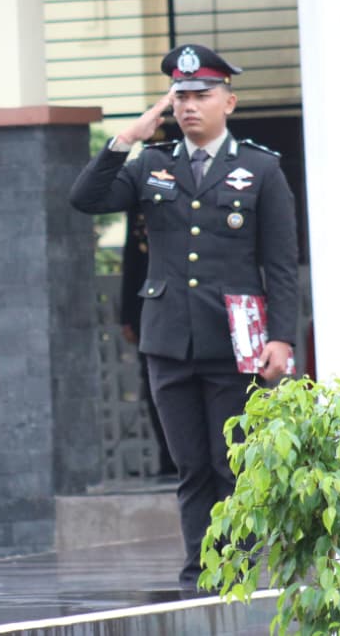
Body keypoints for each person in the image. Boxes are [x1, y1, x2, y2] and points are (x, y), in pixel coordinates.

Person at [69, 43, 298, 593]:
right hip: (168, 337)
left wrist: (282, 339)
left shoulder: (260, 168)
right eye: (180, 96)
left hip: (235, 338)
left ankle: (236, 567)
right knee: (191, 466)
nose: (189, 106)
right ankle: (200, 570)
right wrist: (126, 139)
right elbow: (86, 198)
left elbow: (280, 264)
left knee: (230, 463)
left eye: (202, 95)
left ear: (229, 101)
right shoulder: (152, 164)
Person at [119, 209, 176, 479]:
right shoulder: (144, 190)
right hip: (149, 308)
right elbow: (132, 258)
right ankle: (169, 458)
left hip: (196, 304)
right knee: (157, 386)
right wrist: (127, 315)